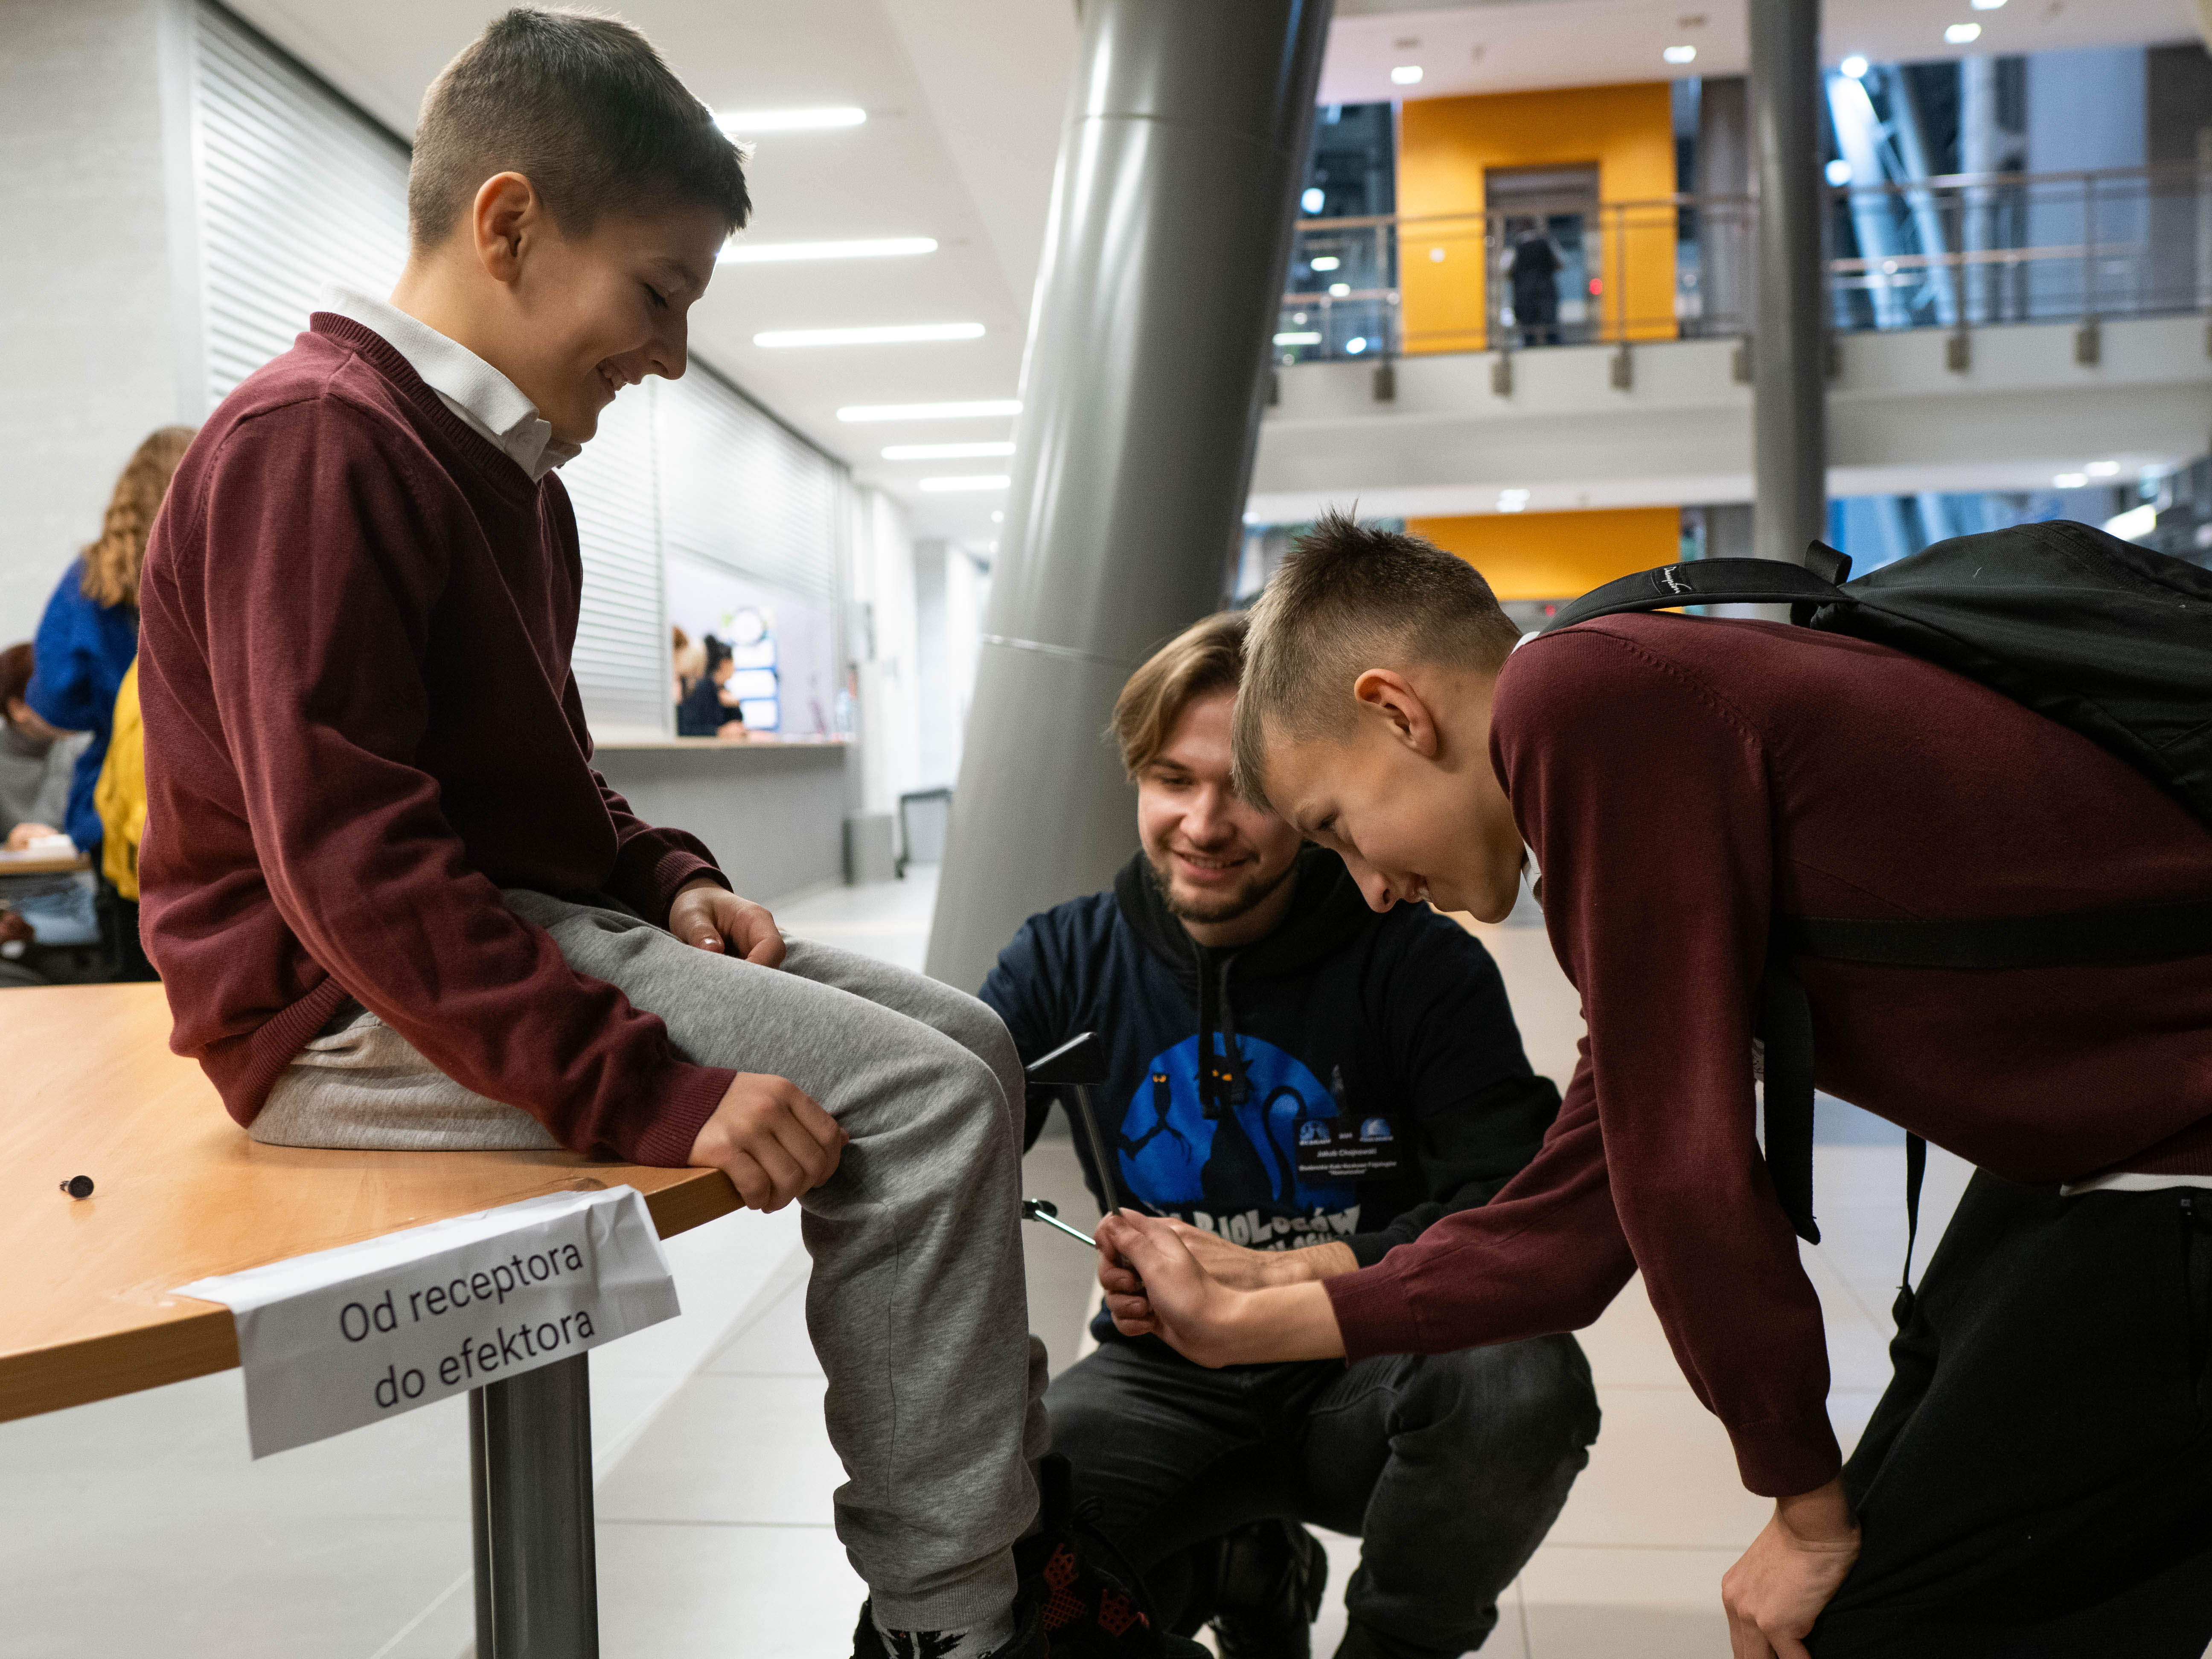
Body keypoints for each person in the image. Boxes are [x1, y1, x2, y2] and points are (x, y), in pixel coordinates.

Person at [134, 14, 1163, 1659]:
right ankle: (951, 1619)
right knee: (914, 1102)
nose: (672, 354)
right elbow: (350, 867)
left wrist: (661, 875)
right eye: (659, 293)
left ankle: (1009, 1532)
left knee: (970, 1043)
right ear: (510, 224)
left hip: (515, 932)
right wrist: (645, 1087)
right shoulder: (314, 443)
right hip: (335, 1012)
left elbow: (547, 783)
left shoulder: (519, 482)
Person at [1093, 514, 2212, 1659]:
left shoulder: (1579, 704)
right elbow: (1579, 1218)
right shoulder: (1628, 699)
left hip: (2173, 1161)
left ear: (1396, 712)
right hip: (2102, 1160)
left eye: (1336, 828)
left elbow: (1687, 1174)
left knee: (1877, 1618)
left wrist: (1801, 1508)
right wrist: (1280, 1288)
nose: (1369, 888)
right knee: (1907, 1589)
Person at [979, 612, 1598, 1659]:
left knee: (1519, 1380)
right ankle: (1242, 1564)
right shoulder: (1062, 960)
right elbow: (951, 1151)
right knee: (1008, 1564)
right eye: (1172, 779)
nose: (1203, 823)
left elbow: (1505, 1207)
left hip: (1370, 1363)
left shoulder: (1418, 963)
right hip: (1164, 1378)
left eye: (1246, 791)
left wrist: (1282, 1278)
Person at [26, 426, 192, 970]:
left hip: (118, 809)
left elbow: (53, 706)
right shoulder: (221, 564)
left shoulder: (90, 579)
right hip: (215, 795)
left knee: (136, 974)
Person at [0, 640, 97, 972]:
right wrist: (9, 847)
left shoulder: (82, 748)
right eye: (56, 695)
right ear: (18, 708)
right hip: (14, 904)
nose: (73, 703)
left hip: (76, 898)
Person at [676, 631, 746, 737]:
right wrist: (719, 732)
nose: (735, 668)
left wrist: (734, 706)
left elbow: (737, 725)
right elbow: (686, 729)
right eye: (733, 663)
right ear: (724, 664)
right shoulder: (701, 688)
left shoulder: (722, 690)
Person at [1505, 226, 1560, 348]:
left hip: (1524, 295)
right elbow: (1562, 264)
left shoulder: (1514, 247)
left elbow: (1504, 269)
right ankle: (1554, 348)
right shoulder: (1547, 243)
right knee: (1551, 330)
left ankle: (1530, 348)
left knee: (1528, 334)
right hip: (1546, 293)